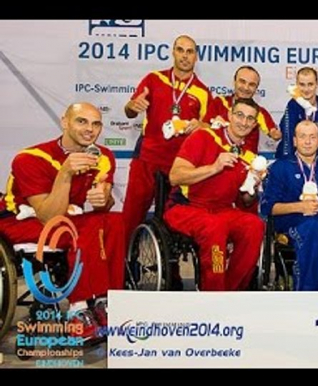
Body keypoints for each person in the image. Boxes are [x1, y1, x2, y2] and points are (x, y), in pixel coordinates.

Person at [0, 102, 125, 340]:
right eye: (82, 121)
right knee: (79, 229)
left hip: (68, 218)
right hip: (20, 220)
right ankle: (79, 309)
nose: (90, 129)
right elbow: (49, 216)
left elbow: (103, 205)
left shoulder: (102, 156)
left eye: (96, 123)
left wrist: (104, 199)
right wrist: (65, 174)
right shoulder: (30, 158)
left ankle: (104, 301)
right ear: (64, 122)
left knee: (114, 221)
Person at [163, 98, 265, 291]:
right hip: (186, 207)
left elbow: (244, 202)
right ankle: (213, 293)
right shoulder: (203, 137)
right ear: (229, 115)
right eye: (240, 115)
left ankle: (232, 291)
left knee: (255, 225)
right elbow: (175, 177)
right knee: (215, 227)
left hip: (222, 210)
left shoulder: (249, 157)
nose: (244, 122)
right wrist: (214, 167)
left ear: (254, 124)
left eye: (250, 119)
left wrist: (252, 187)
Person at [121, 35, 212, 242]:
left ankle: (172, 273)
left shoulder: (203, 92)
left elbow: (209, 129)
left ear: (196, 57)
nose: (185, 56)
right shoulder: (154, 79)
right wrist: (131, 107)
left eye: (190, 52)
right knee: (131, 214)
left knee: (172, 219)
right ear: (173, 52)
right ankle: (123, 267)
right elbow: (130, 111)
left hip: (179, 165)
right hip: (147, 157)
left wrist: (201, 126)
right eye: (180, 50)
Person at [261, 120, 318, 290]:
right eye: (302, 137)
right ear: (294, 141)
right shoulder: (280, 167)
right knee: (312, 227)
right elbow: (268, 207)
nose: (307, 142)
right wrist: (299, 206)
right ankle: (308, 290)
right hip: (292, 221)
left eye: (312, 137)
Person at [205, 65, 282, 153]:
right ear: (234, 82)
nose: (246, 88)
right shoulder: (219, 103)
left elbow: (274, 134)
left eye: (251, 85)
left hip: (246, 162)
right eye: (242, 82)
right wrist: (216, 126)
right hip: (216, 159)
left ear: (256, 89)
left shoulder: (260, 112)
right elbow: (204, 127)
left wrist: (277, 134)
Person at [276, 67, 318, 159]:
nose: (306, 89)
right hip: (293, 160)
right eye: (302, 84)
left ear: (317, 84)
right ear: (296, 85)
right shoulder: (292, 106)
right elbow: (287, 137)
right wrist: (289, 161)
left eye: (310, 84)